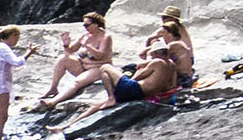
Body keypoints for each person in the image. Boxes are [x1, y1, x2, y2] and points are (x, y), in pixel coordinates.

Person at [43, 47, 180, 129]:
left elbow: (137, 77)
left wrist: (129, 75)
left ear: (156, 53)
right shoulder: (172, 65)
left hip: (135, 89)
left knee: (105, 68)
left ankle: (110, 98)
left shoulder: (157, 62)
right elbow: (172, 86)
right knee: (95, 106)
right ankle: (64, 126)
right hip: (142, 94)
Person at [0, 26, 41, 140]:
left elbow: (8, 66)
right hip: (0, 85)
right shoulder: (3, 48)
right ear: (13, 35)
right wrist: (29, 53)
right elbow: (17, 61)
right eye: (17, 37)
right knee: (2, 117)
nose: (17, 41)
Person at [39, 13, 112, 101]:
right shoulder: (85, 36)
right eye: (84, 25)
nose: (85, 28)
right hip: (83, 67)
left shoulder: (105, 38)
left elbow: (100, 56)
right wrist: (66, 44)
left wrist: (87, 46)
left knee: (76, 82)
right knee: (63, 58)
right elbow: (70, 51)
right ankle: (53, 88)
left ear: (96, 24)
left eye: (87, 25)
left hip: (98, 68)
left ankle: (53, 102)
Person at [142, 7, 196, 87]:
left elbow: (151, 38)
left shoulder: (174, 40)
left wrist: (149, 50)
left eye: (166, 18)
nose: (163, 19)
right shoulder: (177, 30)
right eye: (163, 17)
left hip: (182, 70)